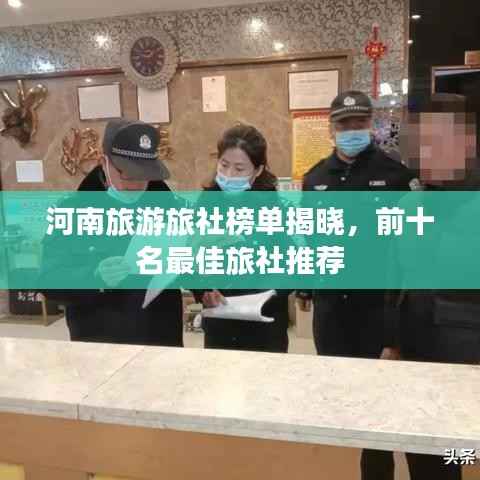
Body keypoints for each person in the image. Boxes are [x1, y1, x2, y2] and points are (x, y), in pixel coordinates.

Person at [301, 91, 424, 480]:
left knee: (382, 406)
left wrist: (394, 333)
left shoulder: (397, 176)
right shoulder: (314, 179)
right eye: (344, 124)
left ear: (371, 125)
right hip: (332, 312)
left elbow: (408, 261)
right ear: (331, 128)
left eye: (359, 122)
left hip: (377, 312)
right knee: (344, 399)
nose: (352, 130)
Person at [40, 119, 183, 347]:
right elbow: (48, 280)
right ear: (103, 162)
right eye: (126, 174)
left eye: (143, 175)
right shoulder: (73, 211)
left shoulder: (167, 205)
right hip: (101, 340)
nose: (135, 185)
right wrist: (96, 276)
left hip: (162, 337)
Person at [193, 124, 290, 353]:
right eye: (224, 165)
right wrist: (203, 291)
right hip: (220, 322)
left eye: (239, 169)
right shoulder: (205, 204)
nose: (228, 175)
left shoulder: (275, 209)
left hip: (264, 324)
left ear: (258, 170)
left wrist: (269, 292)